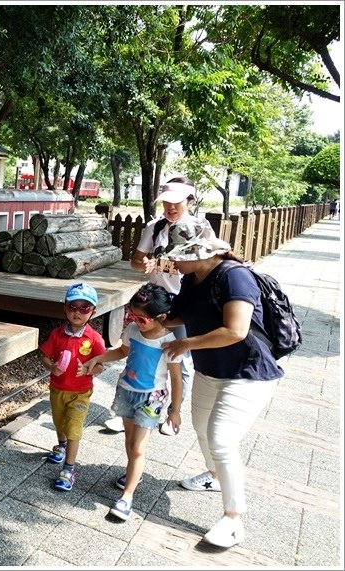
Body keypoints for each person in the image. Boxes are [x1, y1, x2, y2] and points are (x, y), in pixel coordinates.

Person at [159, 219, 283, 548]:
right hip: (210, 369)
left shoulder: (234, 276)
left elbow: (236, 330)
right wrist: (152, 321)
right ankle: (214, 477)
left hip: (247, 372)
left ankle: (233, 519)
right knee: (201, 426)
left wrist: (185, 344)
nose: (174, 263)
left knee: (221, 437)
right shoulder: (191, 278)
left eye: (179, 256)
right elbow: (181, 315)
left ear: (199, 252)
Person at [103, 176, 209, 436]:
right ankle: (129, 410)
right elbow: (136, 262)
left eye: (177, 202)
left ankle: (172, 411)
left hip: (182, 301)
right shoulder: (155, 226)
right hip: (152, 299)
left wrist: (161, 264)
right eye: (167, 202)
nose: (171, 207)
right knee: (137, 349)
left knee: (177, 358)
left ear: (190, 201)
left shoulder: (201, 227)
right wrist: (146, 264)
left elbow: (204, 264)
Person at [79, 283, 182, 521]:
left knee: (137, 448)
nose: (134, 320)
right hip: (126, 390)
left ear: (161, 317)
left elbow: (177, 379)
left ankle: (127, 497)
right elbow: (122, 352)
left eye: (141, 318)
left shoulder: (169, 342)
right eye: (132, 315)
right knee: (129, 441)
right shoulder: (133, 330)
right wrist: (98, 357)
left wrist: (175, 411)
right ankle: (133, 472)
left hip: (151, 398)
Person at [39, 282, 107, 492]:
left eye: (84, 308)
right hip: (57, 387)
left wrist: (88, 370)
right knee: (59, 421)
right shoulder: (57, 334)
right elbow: (44, 356)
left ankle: (68, 469)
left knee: (74, 428)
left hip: (80, 392)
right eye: (73, 307)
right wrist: (52, 366)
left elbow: (101, 365)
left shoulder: (94, 338)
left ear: (93, 311)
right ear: (65, 308)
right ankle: (61, 446)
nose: (77, 313)